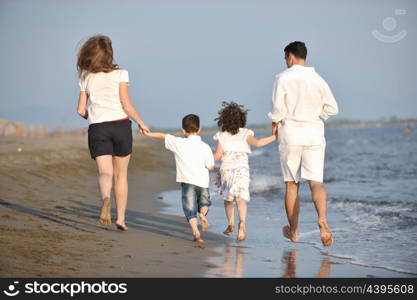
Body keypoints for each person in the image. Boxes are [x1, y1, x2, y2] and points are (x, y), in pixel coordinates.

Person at [268, 41, 339, 247]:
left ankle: (294, 231)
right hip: (314, 134)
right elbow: (333, 108)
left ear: (290, 56)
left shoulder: (282, 78)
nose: (285, 61)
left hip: (290, 134)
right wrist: (317, 114)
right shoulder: (318, 79)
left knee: (292, 185)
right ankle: (323, 221)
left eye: (285, 58)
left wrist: (274, 123)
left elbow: (278, 108)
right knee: (316, 183)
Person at [76, 35, 150, 231]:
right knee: (121, 175)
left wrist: (92, 117)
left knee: (105, 173)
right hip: (120, 126)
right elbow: (127, 105)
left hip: (98, 128)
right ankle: (121, 219)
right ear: (110, 54)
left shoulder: (86, 77)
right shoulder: (121, 74)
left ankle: (106, 199)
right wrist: (141, 123)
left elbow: (81, 110)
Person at [143, 114, 214, 243]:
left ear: (183, 130)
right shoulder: (206, 147)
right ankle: (202, 215)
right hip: (203, 182)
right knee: (204, 204)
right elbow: (210, 167)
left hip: (187, 182)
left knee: (189, 209)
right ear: (199, 129)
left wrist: (148, 134)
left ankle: (195, 232)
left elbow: (163, 136)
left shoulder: (178, 142)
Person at [213, 102, 277, 242]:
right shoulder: (246, 133)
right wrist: (274, 137)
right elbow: (258, 143)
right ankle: (242, 223)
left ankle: (230, 223)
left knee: (228, 199)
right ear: (242, 119)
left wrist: (206, 162)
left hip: (226, 171)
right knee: (241, 198)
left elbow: (217, 155)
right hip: (242, 170)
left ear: (223, 119)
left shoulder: (221, 135)